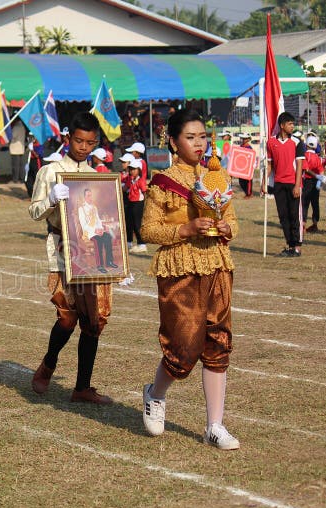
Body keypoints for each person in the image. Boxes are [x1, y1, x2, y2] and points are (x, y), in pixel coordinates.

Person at [140, 109, 240, 450]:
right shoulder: (163, 181)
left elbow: (233, 221)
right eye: (190, 137)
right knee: (182, 348)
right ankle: (155, 394)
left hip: (216, 265)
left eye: (203, 137)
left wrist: (226, 228)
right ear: (173, 141)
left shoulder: (217, 176)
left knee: (218, 343)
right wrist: (184, 228)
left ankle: (215, 425)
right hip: (179, 268)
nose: (199, 144)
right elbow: (148, 229)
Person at [28, 111, 114, 405]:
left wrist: (118, 259)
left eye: (90, 143)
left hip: (91, 255)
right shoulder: (50, 172)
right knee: (66, 317)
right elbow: (34, 211)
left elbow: (106, 218)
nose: (83, 147)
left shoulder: (97, 177)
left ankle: (82, 387)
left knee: (94, 320)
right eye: (78, 140)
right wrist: (51, 198)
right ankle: (48, 363)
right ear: (68, 138)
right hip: (62, 250)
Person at [267, 112, 305, 257]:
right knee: (283, 216)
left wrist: (297, 185)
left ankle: (297, 246)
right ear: (282, 125)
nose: (292, 126)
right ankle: (290, 245)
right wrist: (265, 181)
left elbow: (300, 165)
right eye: (290, 124)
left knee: (295, 215)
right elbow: (270, 164)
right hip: (279, 184)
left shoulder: (297, 142)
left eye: (293, 124)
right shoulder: (271, 142)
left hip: (292, 183)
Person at [123, 158, 147, 253]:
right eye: (131, 169)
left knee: (137, 224)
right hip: (131, 202)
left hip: (138, 203)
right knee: (130, 222)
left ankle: (142, 244)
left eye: (134, 169)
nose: (132, 171)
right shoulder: (131, 180)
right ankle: (129, 242)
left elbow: (145, 192)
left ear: (139, 170)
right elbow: (125, 188)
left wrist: (145, 205)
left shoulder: (141, 181)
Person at [301, 135, 325, 233]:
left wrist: (315, 176)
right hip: (316, 183)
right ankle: (315, 224)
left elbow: (306, 170)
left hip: (307, 181)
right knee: (315, 203)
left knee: (305, 203)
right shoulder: (317, 158)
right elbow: (321, 171)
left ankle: (303, 224)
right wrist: (319, 180)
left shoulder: (305, 155)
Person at [236, 133, 254, 198]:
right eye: (243, 138)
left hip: (247, 168)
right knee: (241, 182)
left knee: (248, 182)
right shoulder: (240, 147)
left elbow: (251, 158)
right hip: (241, 167)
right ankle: (247, 193)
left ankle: (249, 194)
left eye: (245, 138)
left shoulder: (250, 148)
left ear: (248, 139)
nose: (243, 140)